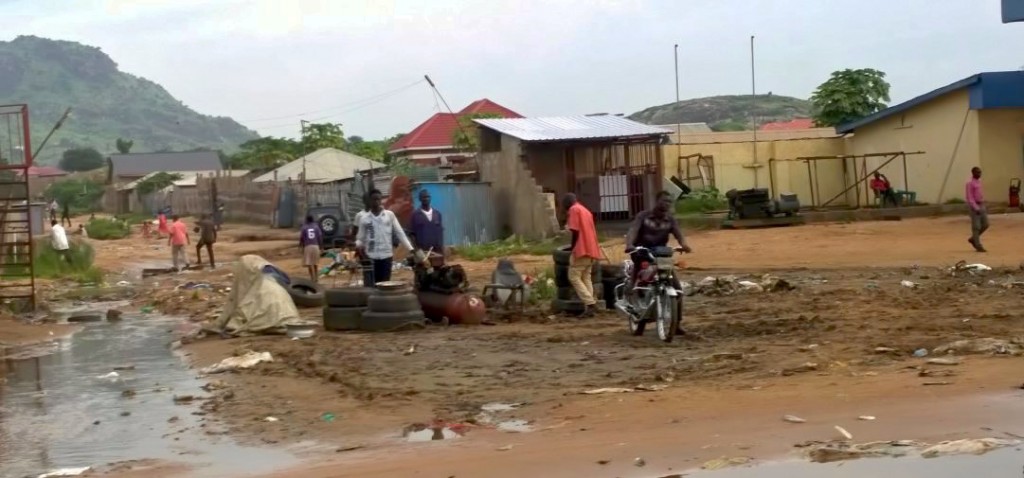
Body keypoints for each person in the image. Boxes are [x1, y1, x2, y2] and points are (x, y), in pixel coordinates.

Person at [355, 189, 414, 286]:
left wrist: (410, 248)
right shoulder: (364, 219)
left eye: (379, 199)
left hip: (386, 256)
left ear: (381, 200)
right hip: (371, 257)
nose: (377, 202)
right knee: (372, 286)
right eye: (374, 199)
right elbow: (360, 238)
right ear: (370, 201)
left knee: (385, 285)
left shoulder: (389, 215)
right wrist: (356, 245)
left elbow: (400, 233)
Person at [563, 193, 602, 317]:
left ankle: (590, 304)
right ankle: (590, 307)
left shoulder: (574, 210)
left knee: (573, 276)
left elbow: (575, 231)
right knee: (586, 277)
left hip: (582, 249)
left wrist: (572, 247)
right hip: (592, 249)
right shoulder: (585, 210)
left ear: (568, 204)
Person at [410, 189, 444, 254]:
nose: (426, 199)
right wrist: (416, 249)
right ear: (420, 199)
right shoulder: (415, 215)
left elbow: (440, 232)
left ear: (430, 198)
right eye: (424, 197)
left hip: (437, 250)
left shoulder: (437, 214)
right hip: (423, 250)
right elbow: (412, 234)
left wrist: (441, 246)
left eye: (428, 197)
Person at [966, 166, 988, 252]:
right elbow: (969, 197)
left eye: (980, 172)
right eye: (977, 172)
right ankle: (978, 245)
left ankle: (973, 239)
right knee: (976, 227)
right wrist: (975, 208)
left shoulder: (979, 182)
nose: (979, 174)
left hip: (981, 204)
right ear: (973, 173)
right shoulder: (969, 183)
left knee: (986, 224)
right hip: (974, 206)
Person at [300, 215, 323, 282]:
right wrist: (321, 247)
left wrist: (302, 246)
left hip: (308, 246)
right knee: (315, 263)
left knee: (309, 263)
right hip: (316, 246)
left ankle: (312, 278)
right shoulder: (316, 227)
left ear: (307, 220)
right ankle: (316, 278)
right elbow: (320, 237)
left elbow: (302, 238)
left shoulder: (304, 227)